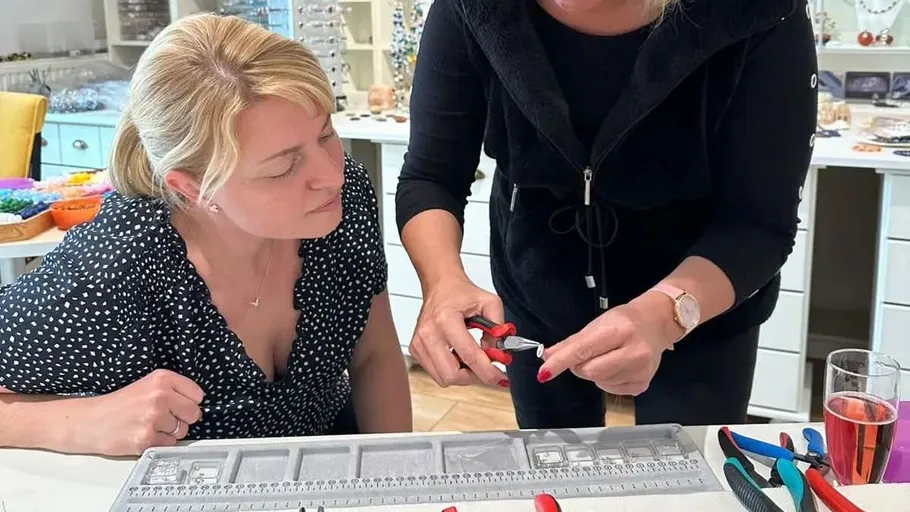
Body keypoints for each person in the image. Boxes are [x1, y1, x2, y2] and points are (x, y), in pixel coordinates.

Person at [0, 14, 411, 456]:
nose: (330, 175)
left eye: (326, 133)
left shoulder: (341, 197)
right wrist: (73, 424)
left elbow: (374, 355)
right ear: (191, 188)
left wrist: (398, 485)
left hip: (328, 465)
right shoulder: (116, 266)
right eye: (282, 167)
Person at [396, 0, 817, 428]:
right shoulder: (470, 8)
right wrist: (442, 282)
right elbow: (432, 176)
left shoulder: (759, 12)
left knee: (688, 484)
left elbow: (758, 223)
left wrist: (665, 315)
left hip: (700, 315)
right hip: (537, 296)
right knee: (557, 479)